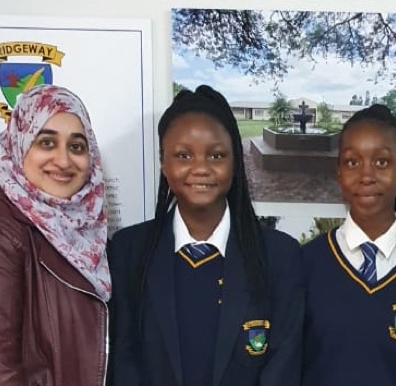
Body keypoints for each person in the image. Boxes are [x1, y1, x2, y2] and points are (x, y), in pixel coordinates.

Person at [108, 85, 304, 386]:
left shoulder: (281, 257)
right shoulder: (128, 253)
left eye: (216, 155)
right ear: (163, 163)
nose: (200, 168)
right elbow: (123, 363)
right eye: (183, 155)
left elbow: (283, 367)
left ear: (235, 162)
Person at [0, 84, 110, 385]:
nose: (63, 161)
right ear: (19, 144)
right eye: (46, 143)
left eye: (77, 146)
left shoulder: (84, 233)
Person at [301, 104, 396, 386]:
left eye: (382, 162)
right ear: (338, 171)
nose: (367, 176)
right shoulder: (305, 264)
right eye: (353, 162)